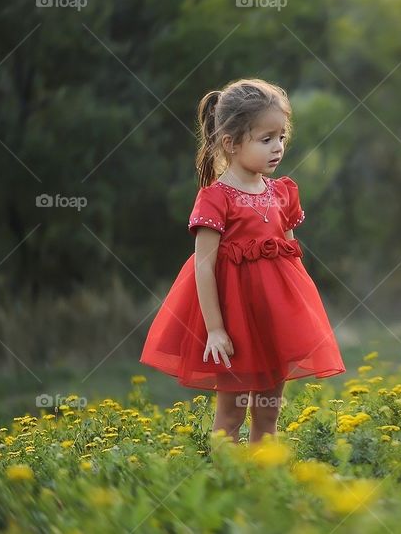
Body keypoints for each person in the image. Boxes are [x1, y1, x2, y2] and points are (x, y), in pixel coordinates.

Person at [140, 78, 345, 445]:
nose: (278, 147)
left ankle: (262, 482)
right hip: (235, 325)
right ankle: (228, 483)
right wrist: (216, 329)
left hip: (273, 320)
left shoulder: (282, 192)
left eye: (281, 137)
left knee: (269, 411)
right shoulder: (216, 199)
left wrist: (297, 317)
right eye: (266, 139)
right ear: (231, 143)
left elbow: (291, 258)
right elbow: (203, 268)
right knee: (231, 413)